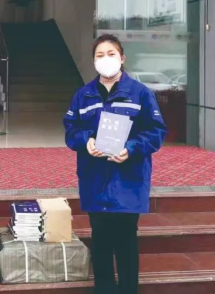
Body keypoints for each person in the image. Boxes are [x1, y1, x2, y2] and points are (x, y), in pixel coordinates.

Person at [64, 34, 166, 294]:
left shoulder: (140, 94)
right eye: (100, 55)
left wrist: (131, 149)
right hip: (95, 178)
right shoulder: (83, 95)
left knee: (125, 240)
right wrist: (85, 140)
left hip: (127, 180)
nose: (105, 59)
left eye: (111, 54)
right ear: (93, 61)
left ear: (122, 58)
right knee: (100, 240)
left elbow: (155, 132)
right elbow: (71, 130)